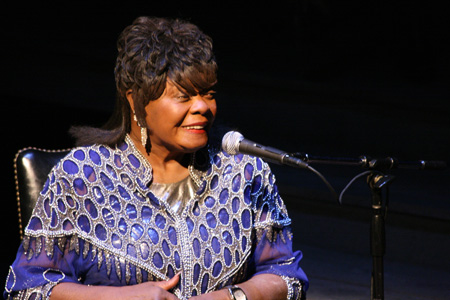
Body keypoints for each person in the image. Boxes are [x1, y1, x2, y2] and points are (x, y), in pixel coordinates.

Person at [4, 16, 308, 300]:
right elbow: (28, 285)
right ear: (135, 100)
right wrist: (122, 298)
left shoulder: (244, 172)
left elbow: (286, 275)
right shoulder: (83, 175)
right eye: (184, 96)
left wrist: (232, 297)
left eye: (209, 93)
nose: (203, 107)